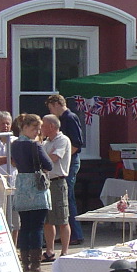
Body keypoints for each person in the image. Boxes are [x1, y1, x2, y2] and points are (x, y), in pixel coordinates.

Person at [9, 113, 52, 272]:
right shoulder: (35, 146)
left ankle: (25, 264)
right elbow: (48, 164)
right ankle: (35, 265)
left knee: (25, 227)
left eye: (38, 129)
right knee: (37, 228)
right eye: (34, 128)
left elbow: (14, 162)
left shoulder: (15, 145)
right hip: (36, 188)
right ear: (25, 127)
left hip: (21, 186)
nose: (37, 132)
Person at [47, 94, 85, 244]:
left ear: (57, 104)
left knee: (66, 197)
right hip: (65, 163)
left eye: (50, 107)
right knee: (65, 198)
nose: (50, 111)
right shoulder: (64, 119)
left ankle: (75, 234)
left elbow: (76, 143)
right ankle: (68, 234)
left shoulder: (70, 118)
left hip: (70, 163)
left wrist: (65, 157)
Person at [40, 114, 72, 261]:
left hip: (58, 182)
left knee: (62, 218)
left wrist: (39, 157)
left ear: (51, 126)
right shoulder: (46, 142)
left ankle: (65, 252)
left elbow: (53, 158)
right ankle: (50, 251)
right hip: (45, 182)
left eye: (43, 125)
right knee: (48, 220)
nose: (41, 128)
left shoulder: (62, 140)